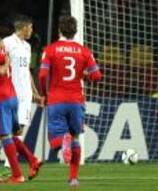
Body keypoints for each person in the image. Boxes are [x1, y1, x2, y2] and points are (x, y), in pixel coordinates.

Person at [39, 15, 102, 187]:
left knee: (55, 141)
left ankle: (64, 141)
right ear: (75, 31)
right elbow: (97, 76)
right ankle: (73, 178)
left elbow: (43, 74)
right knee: (75, 138)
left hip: (57, 99)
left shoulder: (50, 49)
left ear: (59, 30)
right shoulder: (84, 51)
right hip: (76, 100)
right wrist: (84, 76)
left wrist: (44, 94)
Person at [0, 15, 43, 178]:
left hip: (25, 94)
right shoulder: (6, 43)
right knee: (7, 129)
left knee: (19, 130)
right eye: (30, 27)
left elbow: (27, 70)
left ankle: (8, 166)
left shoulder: (27, 47)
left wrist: (34, 92)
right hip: (10, 92)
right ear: (23, 28)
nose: (32, 30)